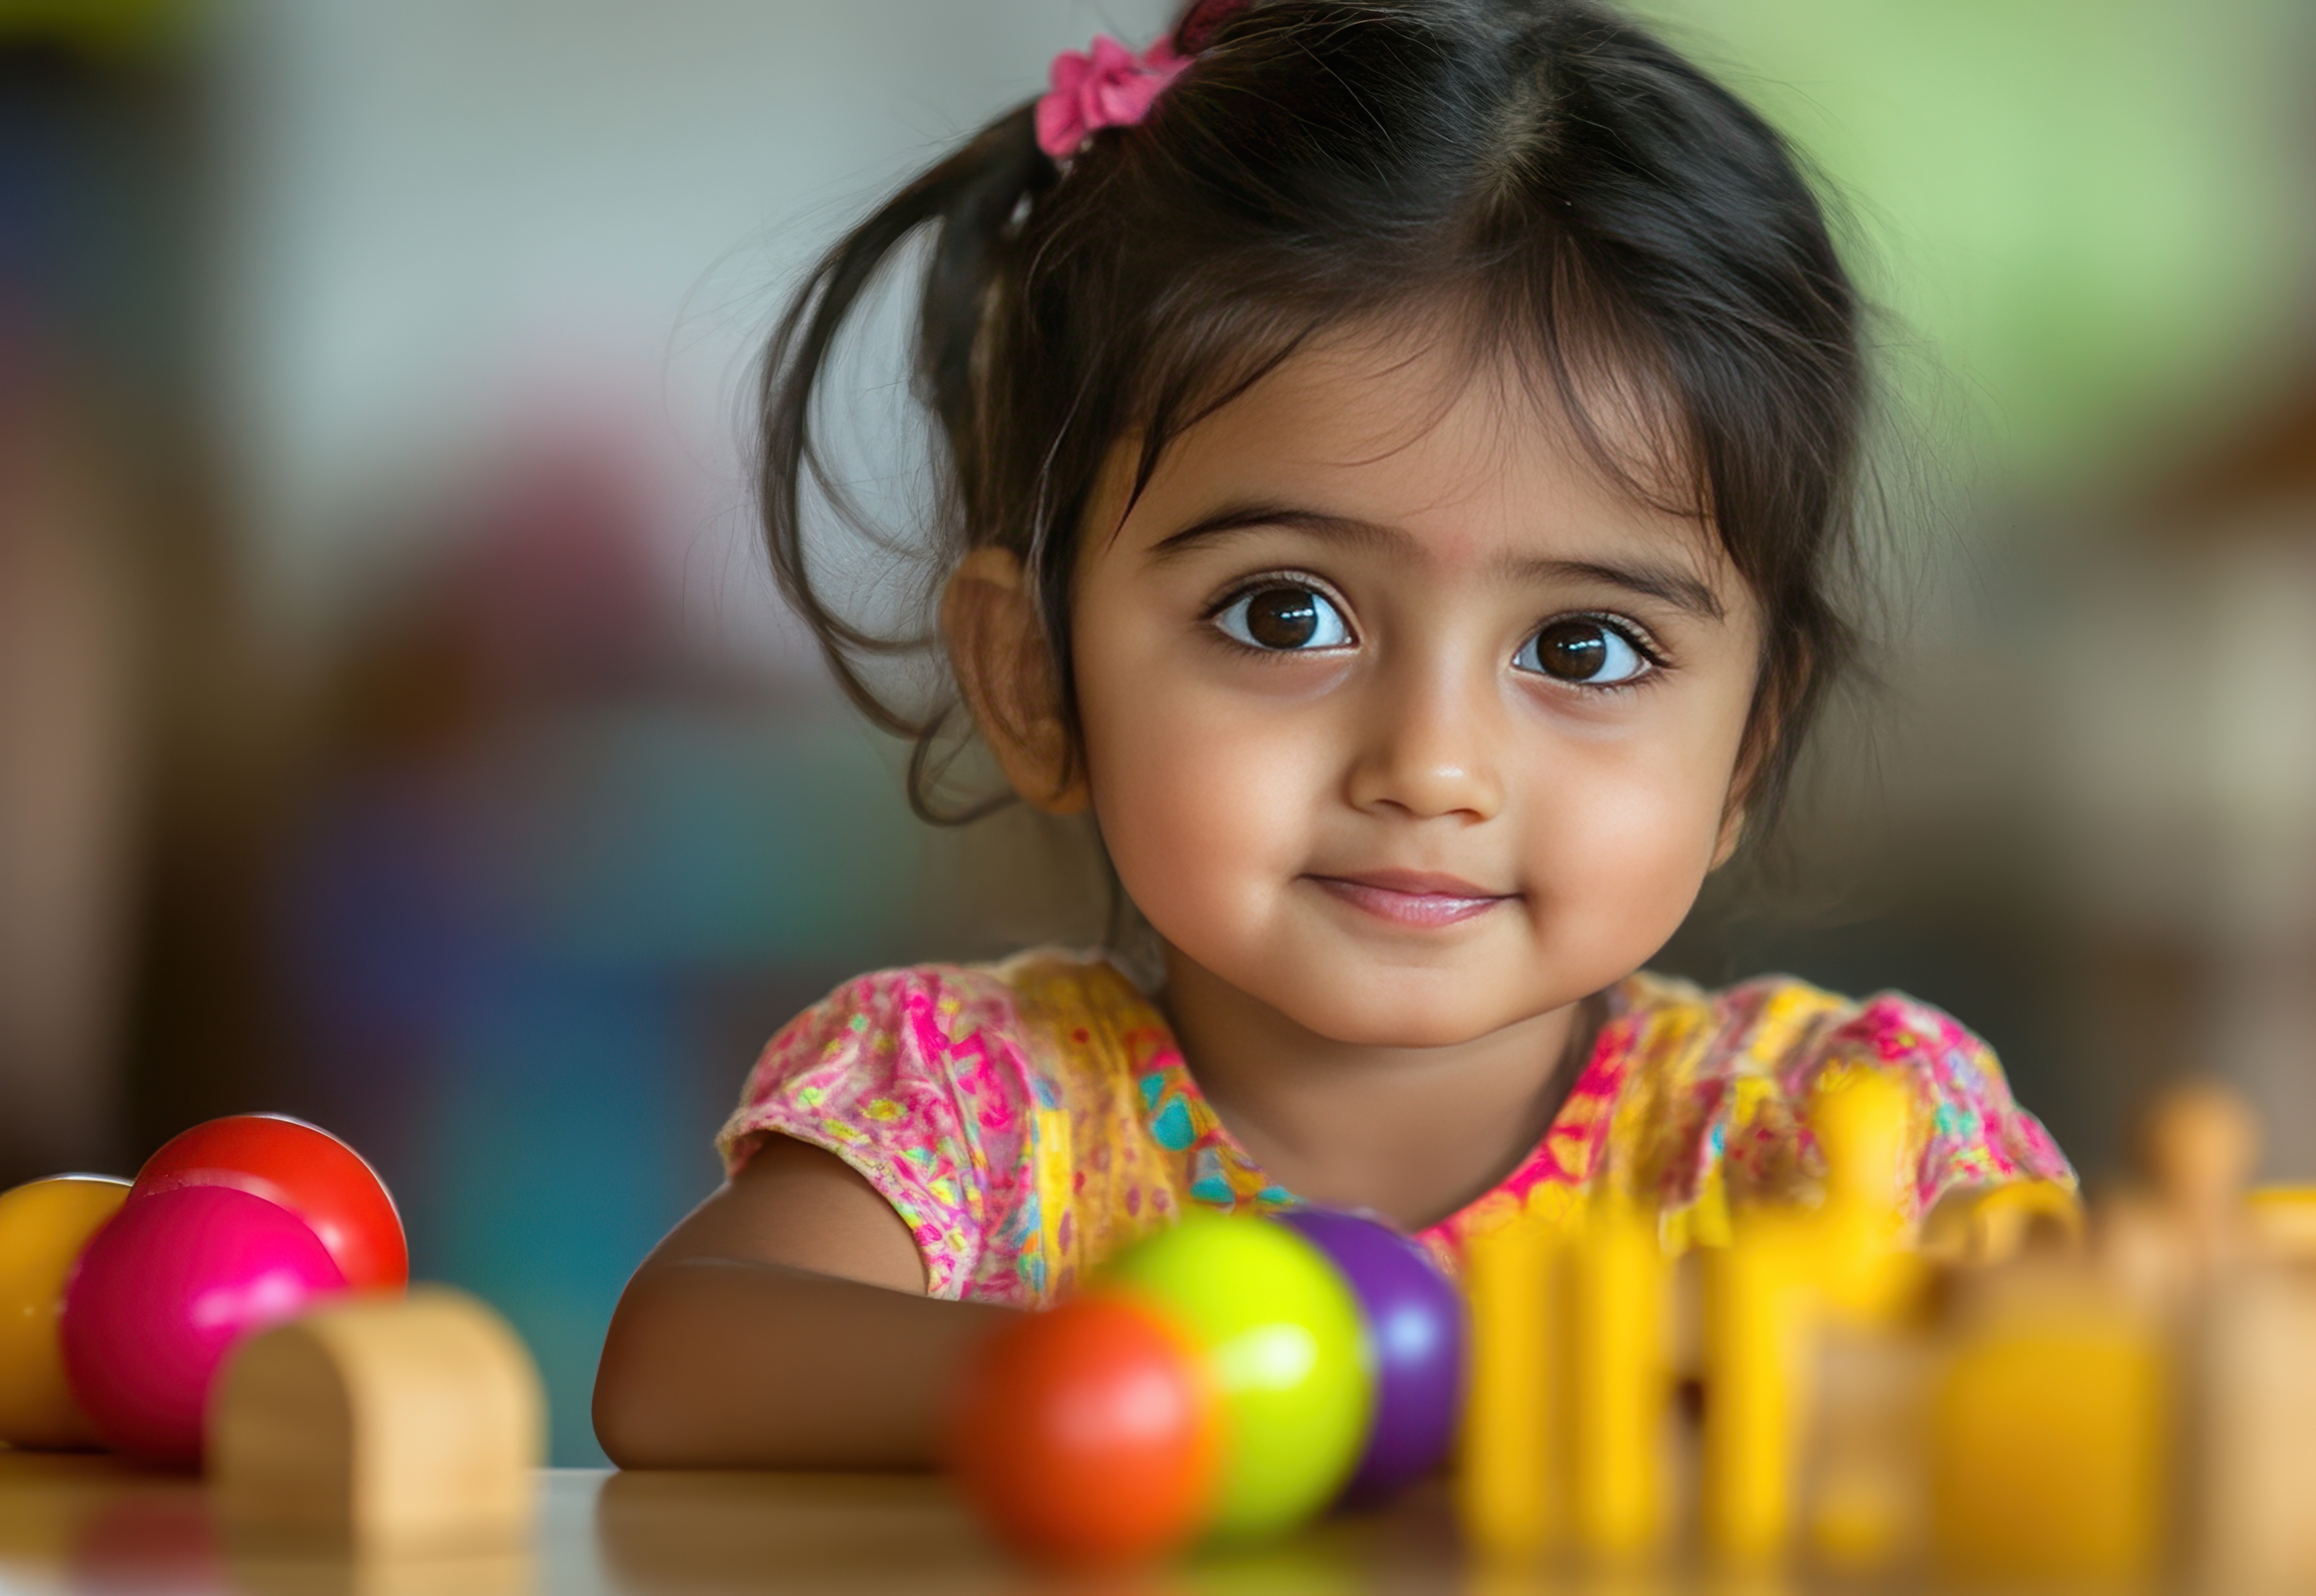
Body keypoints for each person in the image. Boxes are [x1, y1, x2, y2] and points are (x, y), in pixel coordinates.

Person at [592, 0, 2071, 1470]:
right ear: (1036, 678)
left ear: (1749, 743)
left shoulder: (1829, 1141)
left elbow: (2063, 1399)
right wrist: (1227, 1382)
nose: (1431, 766)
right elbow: (683, 1366)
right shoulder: (982, 1112)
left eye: (1584, 649)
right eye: (1286, 617)